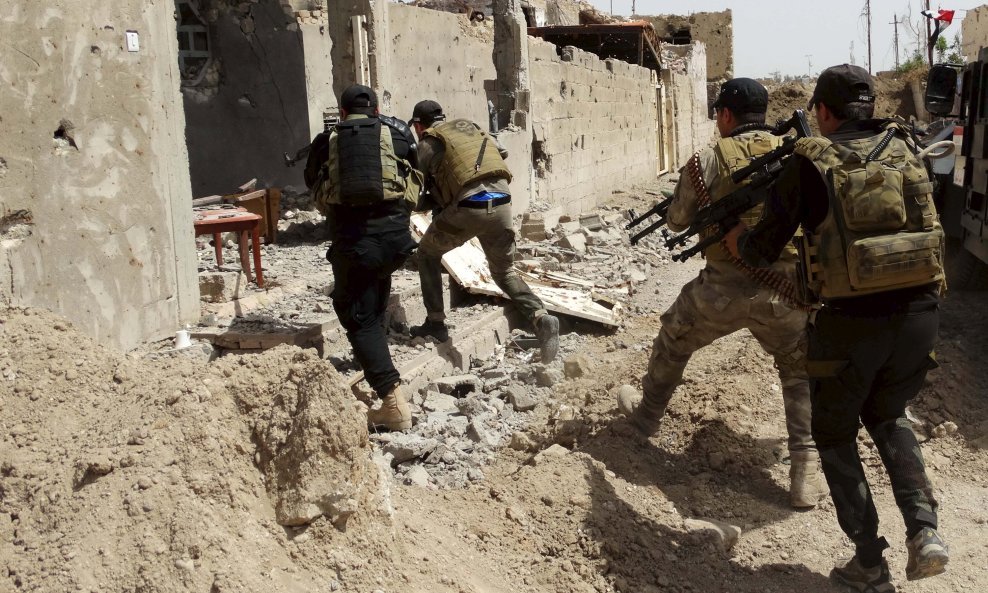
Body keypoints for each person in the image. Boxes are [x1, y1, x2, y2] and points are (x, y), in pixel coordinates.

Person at [727, 64, 949, 591]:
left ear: (822, 112)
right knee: (890, 414)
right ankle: (924, 531)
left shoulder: (811, 162)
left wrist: (740, 239)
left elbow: (764, 246)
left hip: (850, 324)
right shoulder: (904, 150)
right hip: (920, 316)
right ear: (868, 107)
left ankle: (869, 562)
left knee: (833, 434)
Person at [621, 78, 826, 509]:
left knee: (673, 338)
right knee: (796, 370)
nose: (717, 121)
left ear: (727, 116)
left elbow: (677, 220)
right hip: (786, 293)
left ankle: (645, 419)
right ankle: (805, 466)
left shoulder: (707, 160)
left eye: (718, 114)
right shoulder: (798, 154)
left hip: (720, 292)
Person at [304, 84, 422, 431]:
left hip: (354, 241)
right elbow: (416, 178)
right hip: (397, 241)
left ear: (341, 113)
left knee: (356, 314)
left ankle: (391, 400)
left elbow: (312, 182)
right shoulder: (398, 134)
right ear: (375, 110)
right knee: (373, 291)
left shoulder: (327, 141)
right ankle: (376, 356)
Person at [407, 99, 560, 362]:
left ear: (419, 126)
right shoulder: (474, 129)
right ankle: (540, 318)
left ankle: (435, 323)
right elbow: (500, 154)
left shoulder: (427, 144)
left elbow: (415, 188)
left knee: (427, 254)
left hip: (469, 207)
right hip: (502, 202)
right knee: (504, 272)